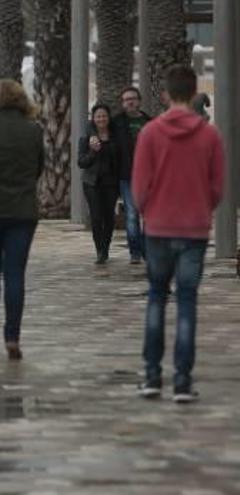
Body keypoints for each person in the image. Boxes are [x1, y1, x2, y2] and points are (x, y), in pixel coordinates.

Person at [133, 65, 224, 403]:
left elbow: (139, 186)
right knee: (187, 300)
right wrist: (202, 208)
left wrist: (148, 210)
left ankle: (153, 376)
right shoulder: (209, 135)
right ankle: (183, 381)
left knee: (157, 296)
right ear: (195, 92)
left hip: (158, 226)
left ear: (165, 94)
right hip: (195, 230)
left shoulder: (150, 133)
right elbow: (217, 186)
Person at [0, 80, 44, 360]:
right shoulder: (33, 130)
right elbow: (39, 167)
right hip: (22, 213)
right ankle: (13, 336)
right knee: (15, 274)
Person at [112, 87, 151, 264]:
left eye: (133, 98)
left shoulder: (148, 122)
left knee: (149, 215)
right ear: (122, 103)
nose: (130, 102)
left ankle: (147, 250)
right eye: (127, 99)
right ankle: (135, 252)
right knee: (132, 215)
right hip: (127, 175)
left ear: (139, 101)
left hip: (149, 176)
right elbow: (97, 126)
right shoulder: (117, 122)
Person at [78, 103, 121, 264]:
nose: (101, 119)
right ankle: (100, 251)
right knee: (96, 217)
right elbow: (81, 162)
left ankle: (106, 247)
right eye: (98, 116)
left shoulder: (115, 136)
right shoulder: (87, 137)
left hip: (111, 182)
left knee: (108, 217)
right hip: (92, 183)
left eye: (104, 116)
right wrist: (92, 151)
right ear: (93, 118)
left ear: (108, 118)